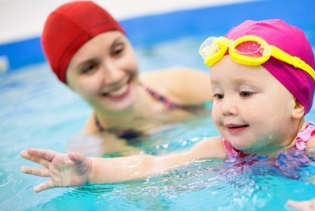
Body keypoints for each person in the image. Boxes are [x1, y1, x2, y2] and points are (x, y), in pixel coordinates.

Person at [21, 19, 315, 210]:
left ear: (297, 103)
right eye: (217, 94)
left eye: (245, 93)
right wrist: (92, 171)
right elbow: (153, 165)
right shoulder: (221, 149)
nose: (226, 106)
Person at [40, 1, 212, 155]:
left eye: (118, 51)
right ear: (68, 84)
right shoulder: (89, 153)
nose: (114, 76)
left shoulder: (185, 84)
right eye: (90, 68)